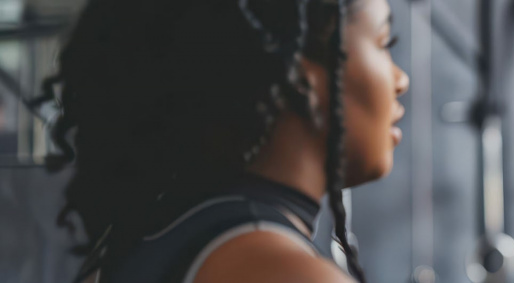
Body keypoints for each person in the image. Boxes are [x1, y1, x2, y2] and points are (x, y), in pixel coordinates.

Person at [29, 0, 408, 281]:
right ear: (299, 76)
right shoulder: (276, 269)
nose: (401, 79)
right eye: (382, 41)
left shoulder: (166, 233)